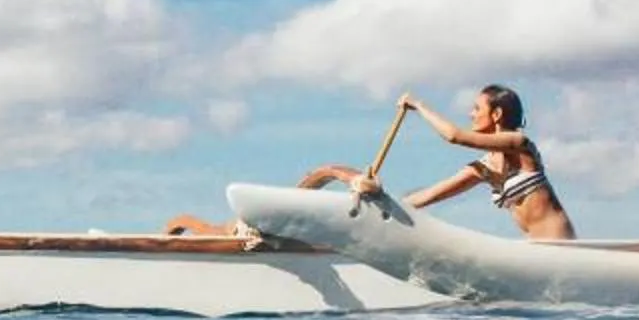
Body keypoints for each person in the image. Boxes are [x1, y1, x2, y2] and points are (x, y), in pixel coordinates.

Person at [164, 84, 575, 240]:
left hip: (564, 253)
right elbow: (424, 199)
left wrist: (418, 104)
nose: (472, 114)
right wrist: (372, 200)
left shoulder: (521, 146)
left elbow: (452, 136)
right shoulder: (485, 169)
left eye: (476, 108)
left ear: (497, 116)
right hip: (535, 254)